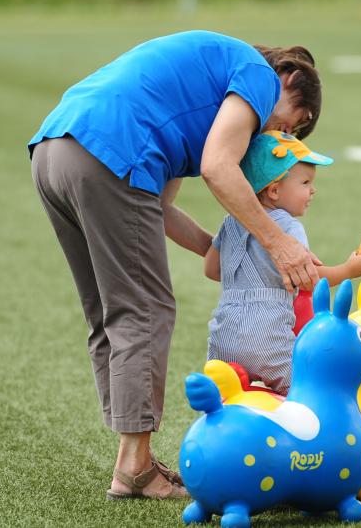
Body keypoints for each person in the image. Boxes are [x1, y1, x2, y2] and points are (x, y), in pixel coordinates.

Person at [28, 30, 323, 500]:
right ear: (288, 80)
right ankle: (135, 469)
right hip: (109, 154)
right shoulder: (259, 76)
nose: (281, 137)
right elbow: (218, 167)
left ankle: (133, 457)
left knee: (113, 312)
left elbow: (158, 210)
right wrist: (277, 244)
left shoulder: (208, 87)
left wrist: (228, 251)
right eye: (292, 123)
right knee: (144, 311)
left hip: (55, 151)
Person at [203, 131, 361, 395]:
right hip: (267, 335)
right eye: (305, 182)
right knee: (303, 391)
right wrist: (347, 270)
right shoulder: (288, 227)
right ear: (274, 190)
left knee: (225, 395)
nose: (313, 190)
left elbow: (211, 269)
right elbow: (308, 278)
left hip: (223, 334)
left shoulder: (230, 223)